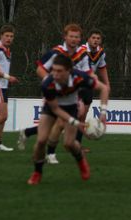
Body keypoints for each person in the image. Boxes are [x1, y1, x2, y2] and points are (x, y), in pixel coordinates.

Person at [27, 54, 109, 185]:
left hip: (71, 108)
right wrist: (75, 122)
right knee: (41, 140)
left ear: (69, 71)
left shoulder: (79, 77)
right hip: (52, 108)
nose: (55, 74)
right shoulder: (48, 84)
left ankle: (81, 160)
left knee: (69, 144)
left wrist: (103, 112)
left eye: (59, 71)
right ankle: (37, 172)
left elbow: (104, 88)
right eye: (53, 70)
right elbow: (55, 109)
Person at [17, 23, 93, 164]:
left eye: (77, 37)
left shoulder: (83, 56)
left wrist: (81, 99)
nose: (74, 39)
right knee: (57, 124)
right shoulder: (55, 52)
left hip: (71, 96)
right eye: (71, 36)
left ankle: (34, 138)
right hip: (54, 95)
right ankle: (48, 153)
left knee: (59, 123)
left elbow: (86, 77)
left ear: (80, 39)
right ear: (65, 37)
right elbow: (40, 69)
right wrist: (51, 83)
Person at [75, 28, 111, 151]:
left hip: (89, 86)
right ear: (88, 39)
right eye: (93, 38)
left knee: (82, 116)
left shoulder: (100, 53)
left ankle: (77, 144)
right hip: (76, 85)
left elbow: (102, 68)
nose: (95, 40)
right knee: (75, 115)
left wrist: (107, 84)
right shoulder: (81, 51)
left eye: (98, 38)